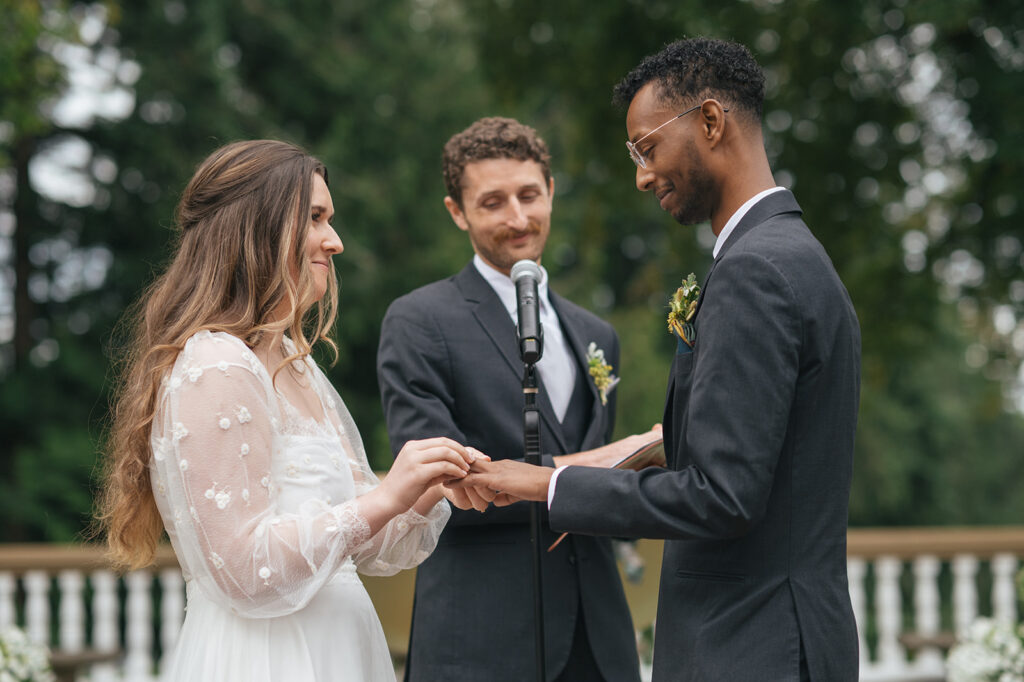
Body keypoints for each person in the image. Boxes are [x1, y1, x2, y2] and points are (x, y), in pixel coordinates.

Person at [450, 39, 862, 681]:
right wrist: (649, 450)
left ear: (710, 121)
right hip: (788, 640)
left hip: (748, 647)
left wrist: (549, 484)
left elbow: (722, 497)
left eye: (647, 147)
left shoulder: (754, 271)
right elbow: (762, 454)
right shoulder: (797, 255)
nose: (642, 174)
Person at [96, 140, 477, 682]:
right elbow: (244, 570)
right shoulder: (217, 363)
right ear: (259, 227)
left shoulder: (299, 370)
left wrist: (425, 487)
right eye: (316, 218)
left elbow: (367, 548)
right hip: (269, 659)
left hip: (341, 652)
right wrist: (385, 495)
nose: (335, 241)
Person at [376, 117, 656, 681]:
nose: (518, 218)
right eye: (493, 202)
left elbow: (604, 497)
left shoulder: (598, 334)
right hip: (481, 636)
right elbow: (440, 484)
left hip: (598, 638)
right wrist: (606, 460)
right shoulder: (419, 321)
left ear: (551, 191)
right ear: (457, 211)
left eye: (530, 195)